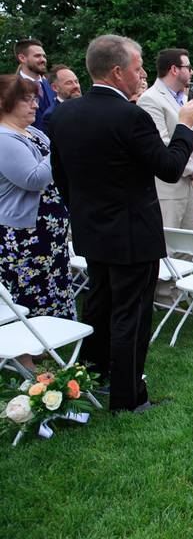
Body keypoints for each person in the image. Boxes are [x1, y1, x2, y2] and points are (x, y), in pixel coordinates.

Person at [47, 34, 193, 413]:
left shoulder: (63, 114)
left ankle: (93, 375)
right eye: (138, 66)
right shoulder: (131, 115)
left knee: (98, 305)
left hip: (91, 229)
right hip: (132, 233)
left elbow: (61, 176)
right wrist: (185, 127)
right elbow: (167, 168)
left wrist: (84, 213)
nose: (143, 72)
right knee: (131, 314)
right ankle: (128, 397)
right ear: (117, 72)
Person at [0, 75, 75, 374]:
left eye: (34, 98)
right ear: (5, 104)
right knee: (26, 291)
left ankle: (44, 344)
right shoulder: (5, 139)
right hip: (23, 235)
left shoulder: (34, 133)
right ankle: (22, 354)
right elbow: (32, 179)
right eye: (27, 99)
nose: (35, 104)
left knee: (49, 286)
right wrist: (60, 145)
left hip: (48, 232)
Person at [137, 49, 193, 239]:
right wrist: (191, 168)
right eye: (188, 67)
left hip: (192, 188)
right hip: (170, 188)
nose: (192, 72)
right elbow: (162, 143)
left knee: (189, 246)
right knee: (167, 247)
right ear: (174, 69)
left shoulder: (185, 99)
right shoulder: (150, 99)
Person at [14, 39, 56, 133]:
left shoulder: (52, 85)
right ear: (22, 58)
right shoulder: (12, 88)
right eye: (37, 56)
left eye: (44, 56)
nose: (43, 60)